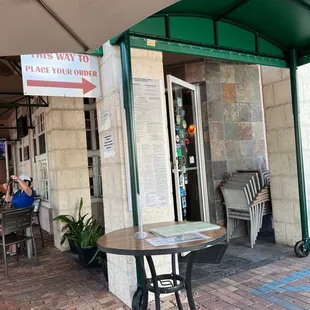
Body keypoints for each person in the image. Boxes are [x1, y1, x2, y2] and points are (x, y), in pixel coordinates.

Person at [2, 174, 35, 255]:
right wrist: (8, 189)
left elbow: (26, 188)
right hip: (15, 217)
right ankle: (14, 244)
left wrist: (17, 178)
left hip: (24, 218)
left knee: (5, 226)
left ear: (27, 182)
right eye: (18, 182)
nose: (19, 184)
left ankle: (14, 245)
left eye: (21, 182)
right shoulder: (18, 192)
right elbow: (7, 199)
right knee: (4, 226)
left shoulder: (30, 192)